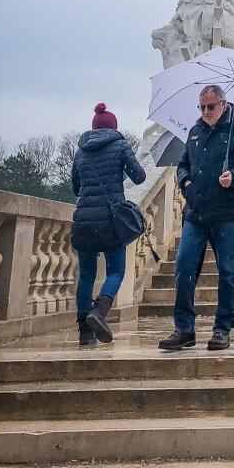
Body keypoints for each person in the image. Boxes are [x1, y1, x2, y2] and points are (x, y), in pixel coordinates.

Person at [159, 84, 234, 352]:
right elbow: (183, 165)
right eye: (202, 107)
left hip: (228, 214)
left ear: (223, 104)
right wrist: (186, 182)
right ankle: (184, 328)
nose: (206, 112)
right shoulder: (194, 132)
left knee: (227, 272)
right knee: (183, 269)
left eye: (211, 107)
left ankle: (222, 328)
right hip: (195, 213)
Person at [70, 103, 146, 346]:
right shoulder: (120, 145)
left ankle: (84, 332)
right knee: (116, 271)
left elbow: (75, 187)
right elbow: (139, 177)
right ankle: (99, 312)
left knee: (86, 275)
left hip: (84, 219)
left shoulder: (80, 151)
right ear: (113, 127)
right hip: (110, 220)